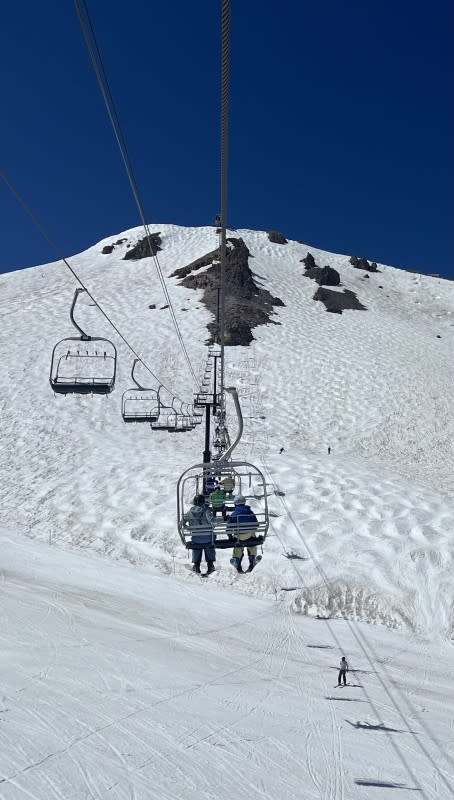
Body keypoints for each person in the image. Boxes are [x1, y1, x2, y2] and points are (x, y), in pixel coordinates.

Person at [183, 495, 216, 574]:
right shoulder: (207, 511)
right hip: (208, 538)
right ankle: (210, 565)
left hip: (196, 539)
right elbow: (213, 521)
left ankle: (196, 566)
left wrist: (189, 528)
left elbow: (182, 523)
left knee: (197, 544)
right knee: (209, 543)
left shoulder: (189, 512)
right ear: (203, 502)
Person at [227, 495, 259, 573]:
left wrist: (230, 536)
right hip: (249, 536)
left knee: (238, 545)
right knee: (252, 540)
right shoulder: (250, 512)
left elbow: (229, 528)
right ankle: (252, 558)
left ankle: (237, 560)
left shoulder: (234, 514)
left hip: (239, 536)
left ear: (235, 504)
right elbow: (256, 525)